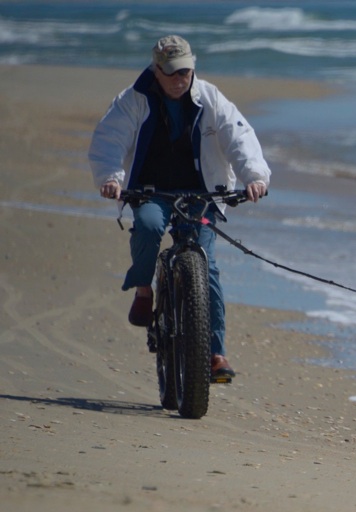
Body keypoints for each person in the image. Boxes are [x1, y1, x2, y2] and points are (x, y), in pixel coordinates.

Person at [88, 35, 270, 381]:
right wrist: (111, 177)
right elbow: (109, 139)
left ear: (193, 67)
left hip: (200, 195)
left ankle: (216, 353)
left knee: (206, 261)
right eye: (170, 73)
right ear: (156, 70)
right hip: (150, 191)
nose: (178, 80)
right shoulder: (132, 99)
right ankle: (144, 288)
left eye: (184, 72)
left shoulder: (211, 98)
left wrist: (255, 177)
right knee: (150, 226)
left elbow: (239, 137)